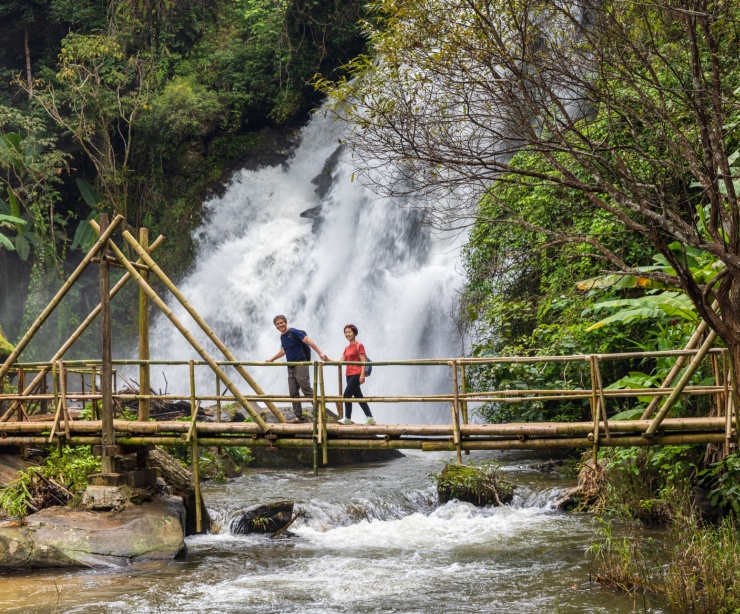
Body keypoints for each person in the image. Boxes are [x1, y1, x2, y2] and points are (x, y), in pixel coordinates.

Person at [266, 315, 328, 423]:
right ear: (275, 326)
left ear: (286, 322)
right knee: (293, 392)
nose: (280, 325)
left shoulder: (294, 332)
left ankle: (321, 413)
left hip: (301, 364)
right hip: (291, 366)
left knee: (306, 389)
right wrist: (272, 359)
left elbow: (309, 341)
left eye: (282, 322)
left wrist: (320, 353)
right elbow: (284, 350)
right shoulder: (282, 336)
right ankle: (299, 417)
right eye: (278, 324)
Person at [339, 324, 375, 425]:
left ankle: (347, 418)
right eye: (345, 332)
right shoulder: (346, 347)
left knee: (347, 395)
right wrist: (327, 360)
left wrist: (362, 375)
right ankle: (370, 417)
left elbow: (363, 361)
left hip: (356, 373)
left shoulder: (359, 345)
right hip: (348, 374)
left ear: (354, 333)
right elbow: (340, 361)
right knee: (358, 396)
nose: (347, 334)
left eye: (349, 332)